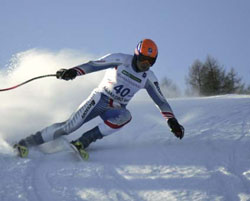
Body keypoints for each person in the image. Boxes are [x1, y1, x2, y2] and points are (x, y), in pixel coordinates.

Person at [14, 39, 184, 159]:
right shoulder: (120, 59)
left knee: (126, 116)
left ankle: (83, 141)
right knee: (69, 127)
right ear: (136, 55)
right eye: (142, 59)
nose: (144, 64)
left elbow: (161, 101)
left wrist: (173, 122)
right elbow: (93, 65)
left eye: (149, 61)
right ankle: (27, 142)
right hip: (100, 98)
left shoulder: (149, 77)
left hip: (116, 108)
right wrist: (73, 71)